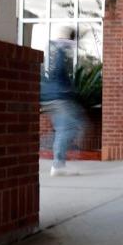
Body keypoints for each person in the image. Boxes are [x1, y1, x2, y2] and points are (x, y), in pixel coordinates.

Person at [40, 25, 85, 176]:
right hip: (59, 97)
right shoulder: (61, 49)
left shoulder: (56, 48)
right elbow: (58, 71)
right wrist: (67, 89)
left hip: (52, 96)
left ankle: (55, 154)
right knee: (68, 129)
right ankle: (57, 164)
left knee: (68, 127)